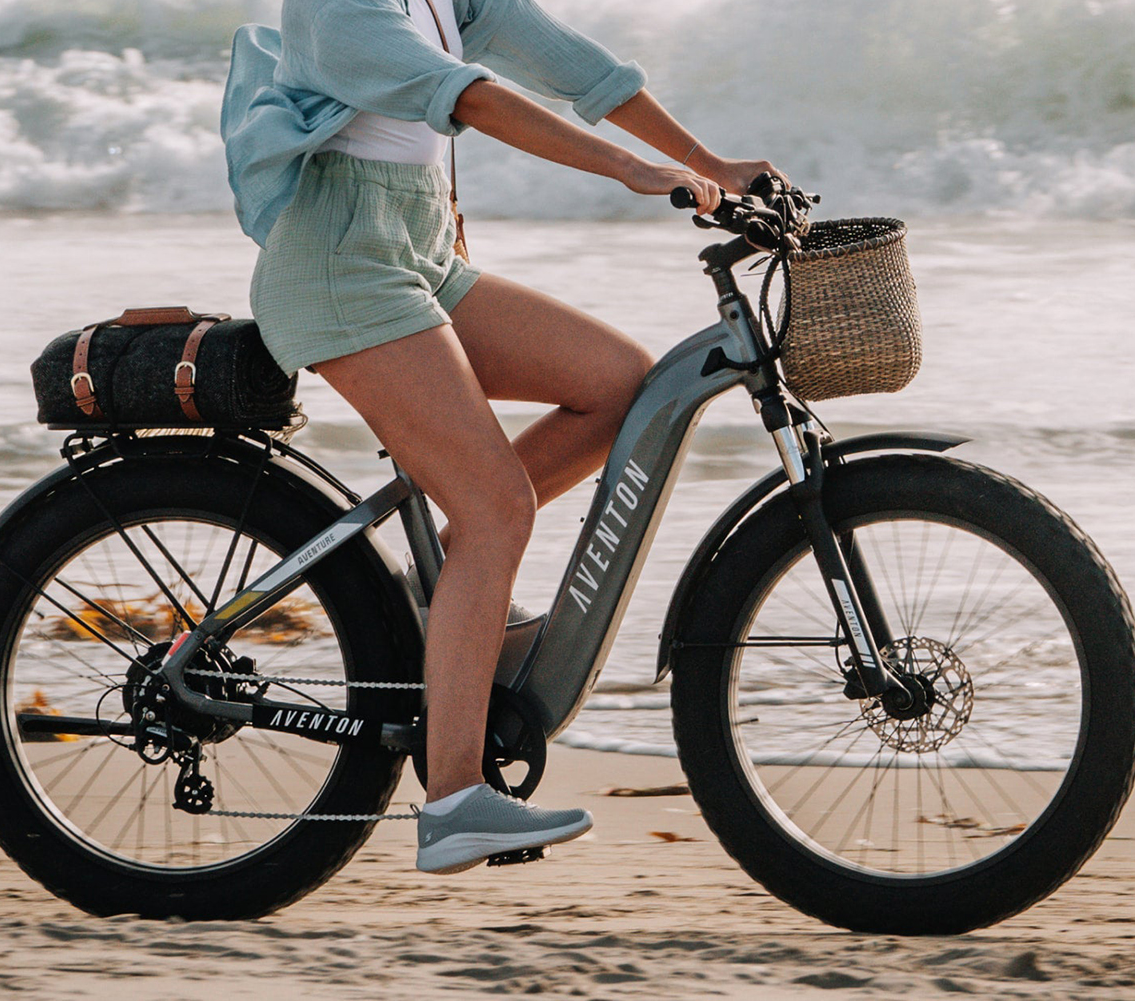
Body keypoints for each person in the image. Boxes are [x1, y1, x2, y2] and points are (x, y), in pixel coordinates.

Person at [221, 0, 782, 875]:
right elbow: (471, 96)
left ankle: (453, 583)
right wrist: (629, 169)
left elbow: (581, 70)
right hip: (339, 268)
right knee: (497, 508)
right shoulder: (336, 7)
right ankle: (453, 800)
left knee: (618, 383)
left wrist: (710, 165)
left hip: (418, 255)